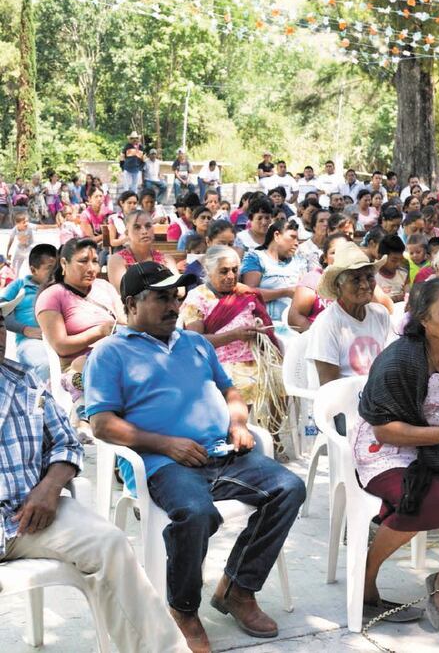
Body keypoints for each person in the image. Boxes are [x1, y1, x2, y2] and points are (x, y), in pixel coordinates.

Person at [84, 262, 305, 652]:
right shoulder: (109, 353)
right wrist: (166, 444)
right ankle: (184, 609)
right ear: (132, 304)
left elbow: (231, 392)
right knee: (196, 512)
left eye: (176, 297)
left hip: (222, 453)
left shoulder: (196, 343)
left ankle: (237, 589)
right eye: (162, 298)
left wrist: (238, 423)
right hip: (162, 463)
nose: (174, 306)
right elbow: (102, 424)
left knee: (289, 487)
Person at [0, 307, 191, 653]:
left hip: (29, 514)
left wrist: (50, 486)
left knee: (111, 544)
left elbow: (66, 442)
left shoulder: (24, 380)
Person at [355, 278, 439, 628]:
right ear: (422, 319)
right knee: (420, 497)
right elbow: (383, 428)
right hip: (389, 450)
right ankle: (366, 579)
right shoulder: (399, 359)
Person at [35, 238, 125, 425]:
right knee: (86, 365)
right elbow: (61, 346)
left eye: (95, 261)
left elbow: (125, 322)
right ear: (64, 263)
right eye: (83, 261)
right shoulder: (52, 296)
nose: (92, 268)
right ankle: (87, 420)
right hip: (77, 367)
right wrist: (100, 331)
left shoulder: (104, 287)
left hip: (118, 356)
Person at [180, 245, 279, 406]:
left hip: (254, 360)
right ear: (209, 270)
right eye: (224, 271)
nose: (231, 276)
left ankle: (273, 431)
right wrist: (233, 335)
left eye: (235, 270)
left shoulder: (245, 293)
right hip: (218, 364)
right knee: (243, 385)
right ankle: (239, 427)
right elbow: (195, 341)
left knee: (278, 380)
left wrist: (260, 332)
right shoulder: (197, 298)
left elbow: (268, 329)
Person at [305, 240, 391, 385]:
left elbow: (391, 364)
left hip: (378, 396)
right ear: (339, 286)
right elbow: (329, 385)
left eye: (369, 277)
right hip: (345, 400)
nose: (365, 285)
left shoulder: (380, 314)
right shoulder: (327, 323)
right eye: (356, 279)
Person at [0, 244, 57, 381]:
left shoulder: (59, 286)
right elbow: (2, 311)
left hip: (59, 340)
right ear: (33, 270)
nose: (54, 273)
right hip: (30, 341)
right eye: (49, 269)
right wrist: (24, 329)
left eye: (56, 268)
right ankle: (40, 401)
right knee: (44, 365)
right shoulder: (19, 285)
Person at [240, 219, 302, 323]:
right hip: (264, 325)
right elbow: (249, 294)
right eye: (292, 237)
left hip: (292, 326)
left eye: (298, 239)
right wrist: (285, 292)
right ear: (277, 235)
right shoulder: (255, 258)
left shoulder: (298, 261)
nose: (296, 243)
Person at [288, 232, 348, 332]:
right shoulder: (313, 279)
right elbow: (294, 317)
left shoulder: (361, 279)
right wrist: (318, 336)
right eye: (333, 252)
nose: (339, 256)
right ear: (325, 258)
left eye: (344, 251)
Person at [107, 210, 178, 292]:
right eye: (137, 227)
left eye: (148, 226)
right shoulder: (117, 260)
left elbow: (180, 290)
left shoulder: (167, 259)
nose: (144, 231)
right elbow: (123, 292)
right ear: (127, 233)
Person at [295, 207, 330, 274]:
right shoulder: (302, 249)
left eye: (329, 221)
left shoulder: (336, 248)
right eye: (321, 221)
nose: (326, 224)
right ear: (314, 226)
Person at [376, 234, 409, 302]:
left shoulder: (403, 274)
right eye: (394, 260)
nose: (398, 264)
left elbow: (407, 295)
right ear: (380, 257)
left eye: (401, 260)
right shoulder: (373, 276)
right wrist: (393, 299)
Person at [79, 186, 112, 253]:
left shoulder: (108, 212)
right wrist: (106, 235)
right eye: (96, 196)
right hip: (90, 247)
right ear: (89, 199)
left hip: (106, 245)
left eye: (101, 196)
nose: (99, 199)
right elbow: (91, 239)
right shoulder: (85, 215)